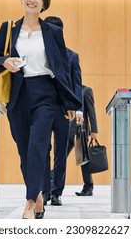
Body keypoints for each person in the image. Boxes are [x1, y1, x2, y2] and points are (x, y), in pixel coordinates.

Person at [0, 0, 81, 219]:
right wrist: (4, 62)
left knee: (38, 146)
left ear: (44, 3)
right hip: (19, 94)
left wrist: (70, 103)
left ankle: (30, 202)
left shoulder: (53, 32)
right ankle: (38, 195)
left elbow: (62, 69)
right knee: (24, 150)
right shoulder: (8, 28)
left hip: (46, 94)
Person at [41, 16, 83, 206]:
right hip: (41, 108)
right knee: (42, 150)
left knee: (60, 152)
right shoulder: (38, 55)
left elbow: (77, 84)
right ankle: (44, 189)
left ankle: (57, 191)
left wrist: (78, 108)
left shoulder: (72, 56)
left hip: (64, 110)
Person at [67, 85, 98, 196]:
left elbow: (91, 111)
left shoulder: (86, 90)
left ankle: (88, 187)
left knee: (83, 161)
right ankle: (52, 186)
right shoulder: (66, 89)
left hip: (80, 131)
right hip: (66, 131)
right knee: (60, 159)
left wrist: (94, 131)